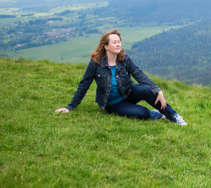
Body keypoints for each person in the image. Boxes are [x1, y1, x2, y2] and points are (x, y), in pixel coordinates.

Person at [55, 29, 187, 125]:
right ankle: (155, 114)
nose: (118, 44)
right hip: (113, 104)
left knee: (147, 90)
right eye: (114, 42)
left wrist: (157, 90)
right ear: (106, 46)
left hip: (128, 93)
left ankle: (173, 116)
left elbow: (139, 74)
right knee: (141, 113)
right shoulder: (96, 63)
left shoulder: (124, 59)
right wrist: (70, 107)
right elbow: (84, 85)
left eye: (119, 42)